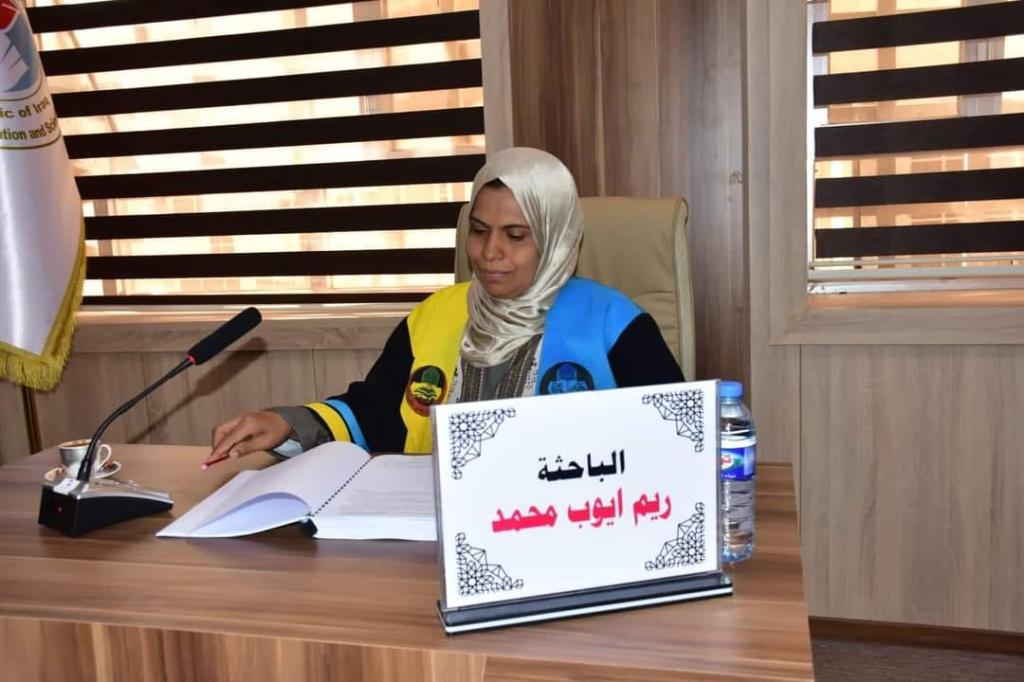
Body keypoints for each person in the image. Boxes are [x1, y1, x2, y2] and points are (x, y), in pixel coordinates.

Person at [206, 147, 684, 465]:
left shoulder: (614, 323)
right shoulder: (433, 316)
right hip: (431, 535)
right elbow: (372, 413)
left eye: (516, 235)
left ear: (556, 239)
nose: (490, 252)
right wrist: (286, 423)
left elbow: (674, 440)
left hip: (567, 533)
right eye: (479, 231)